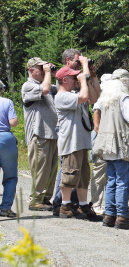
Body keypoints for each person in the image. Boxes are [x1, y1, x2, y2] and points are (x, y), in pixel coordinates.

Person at [93, 69, 129, 230]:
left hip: (107, 146)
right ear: (124, 82)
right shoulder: (123, 97)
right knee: (123, 182)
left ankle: (110, 215)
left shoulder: (105, 99)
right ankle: (122, 216)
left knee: (111, 181)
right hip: (122, 146)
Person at [53, 48, 100, 216]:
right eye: (73, 77)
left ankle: (83, 204)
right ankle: (65, 205)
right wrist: (83, 78)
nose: (75, 80)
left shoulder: (74, 92)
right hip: (70, 142)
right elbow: (83, 97)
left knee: (83, 176)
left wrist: (91, 78)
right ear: (64, 80)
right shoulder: (62, 96)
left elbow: (94, 98)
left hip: (81, 140)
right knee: (69, 174)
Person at [21, 57, 58, 211]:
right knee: (40, 168)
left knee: (51, 169)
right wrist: (48, 73)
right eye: (40, 68)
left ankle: (46, 198)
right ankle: (35, 199)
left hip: (52, 133)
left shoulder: (47, 84)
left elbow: (61, 89)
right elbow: (45, 90)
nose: (44, 71)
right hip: (39, 133)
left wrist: (55, 74)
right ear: (31, 70)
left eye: (45, 68)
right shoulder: (28, 86)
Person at [89, 73, 112, 215]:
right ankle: (96, 203)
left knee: (110, 175)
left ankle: (109, 205)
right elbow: (96, 126)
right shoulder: (99, 103)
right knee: (99, 173)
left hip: (111, 142)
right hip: (101, 141)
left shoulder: (112, 101)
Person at [0, 80, 18, 217]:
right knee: (10, 176)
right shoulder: (7, 102)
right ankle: (5, 207)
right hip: (6, 139)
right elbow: (13, 122)